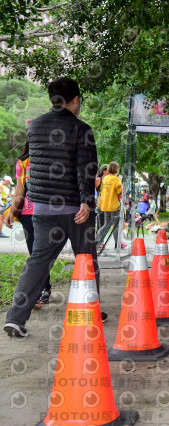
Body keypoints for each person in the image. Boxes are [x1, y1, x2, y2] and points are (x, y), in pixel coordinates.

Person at [4, 77, 103, 337]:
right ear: (76, 100)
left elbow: (33, 166)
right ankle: (90, 309)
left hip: (42, 209)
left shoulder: (34, 127)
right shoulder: (82, 129)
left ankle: (15, 318)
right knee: (87, 259)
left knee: (38, 262)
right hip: (74, 210)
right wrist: (87, 202)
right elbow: (87, 169)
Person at [4, 144, 52, 308]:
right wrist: (11, 211)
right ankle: (42, 290)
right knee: (35, 254)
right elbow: (20, 188)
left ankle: (43, 288)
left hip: (48, 212)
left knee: (44, 253)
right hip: (27, 213)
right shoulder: (23, 162)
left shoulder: (52, 158)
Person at [96, 161, 126, 249]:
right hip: (114, 205)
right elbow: (120, 192)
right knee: (116, 225)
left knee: (106, 224)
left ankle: (96, 240)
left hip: (105, 205)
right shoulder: (116, 179)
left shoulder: (105, 179)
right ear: (117, 170)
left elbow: (102, 190)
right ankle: (118, 244)